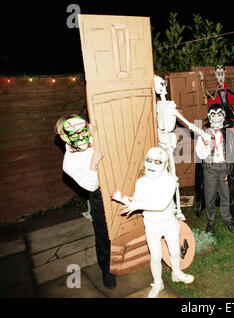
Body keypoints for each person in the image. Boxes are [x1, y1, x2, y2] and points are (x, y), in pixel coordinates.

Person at [111, 147, 194, 298]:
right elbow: (136, 201)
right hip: (151, 225)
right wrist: (122, 198)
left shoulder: (170, 181)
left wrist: (136, 205)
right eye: (149, 160)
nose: (152, 165)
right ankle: (158, 283)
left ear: (165, 165)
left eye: (157, 162)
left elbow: (161, 204)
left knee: (175, 252)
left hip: (169, 223)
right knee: (155, 256)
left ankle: (177, 273)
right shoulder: (141, 182)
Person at [55, 114, 116, 289]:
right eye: (74, 133)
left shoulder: (91, 136)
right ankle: (107, 270)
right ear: (63, 137)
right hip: (98, 193)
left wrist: (98, 132)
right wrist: (92, 165)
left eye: (82, 130)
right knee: (103, 232)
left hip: (115, 182)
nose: (81, 135)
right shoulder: (69, 163)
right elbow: (90, 185)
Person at [195, 104, 234, 234]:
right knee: (210, 195)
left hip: (224, 168)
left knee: (226, 194)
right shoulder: (204, 134)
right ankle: (211, 220)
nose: (216, 118)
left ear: (223, 116)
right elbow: (201, 154)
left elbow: (232, 154)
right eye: (213, 115)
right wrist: (206, 144)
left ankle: (227, 218)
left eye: (219, 114)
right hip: (210, 169)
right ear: (209, 117)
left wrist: (230, 172)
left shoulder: (228, 132)